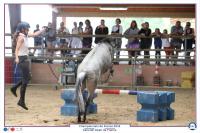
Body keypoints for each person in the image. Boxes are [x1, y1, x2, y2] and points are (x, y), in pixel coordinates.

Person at [10, 22, 46, 110]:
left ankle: (14, 88)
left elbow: (34, 34)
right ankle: (21, 101)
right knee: (26, 79)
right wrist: (17, 58)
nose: (28, 30)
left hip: (25, 58)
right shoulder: (21, 37)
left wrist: (43, 29)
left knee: (28, 77)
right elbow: (16, 49)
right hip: (22, 59)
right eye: (27, 28)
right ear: (22, 29)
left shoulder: (25, 35)